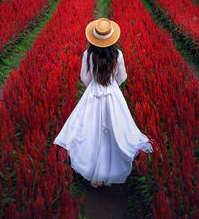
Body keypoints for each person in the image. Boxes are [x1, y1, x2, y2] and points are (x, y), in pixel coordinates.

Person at [53, 18, 152, 188]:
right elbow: (123, 77)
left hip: (93, 94)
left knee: (90, 131)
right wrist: (112, 86)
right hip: (113, 94)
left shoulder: (88, 54)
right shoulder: (117, 54)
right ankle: (113, 167)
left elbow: (84, 77)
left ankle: (93, 170)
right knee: (117, 129)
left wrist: (94, 87)